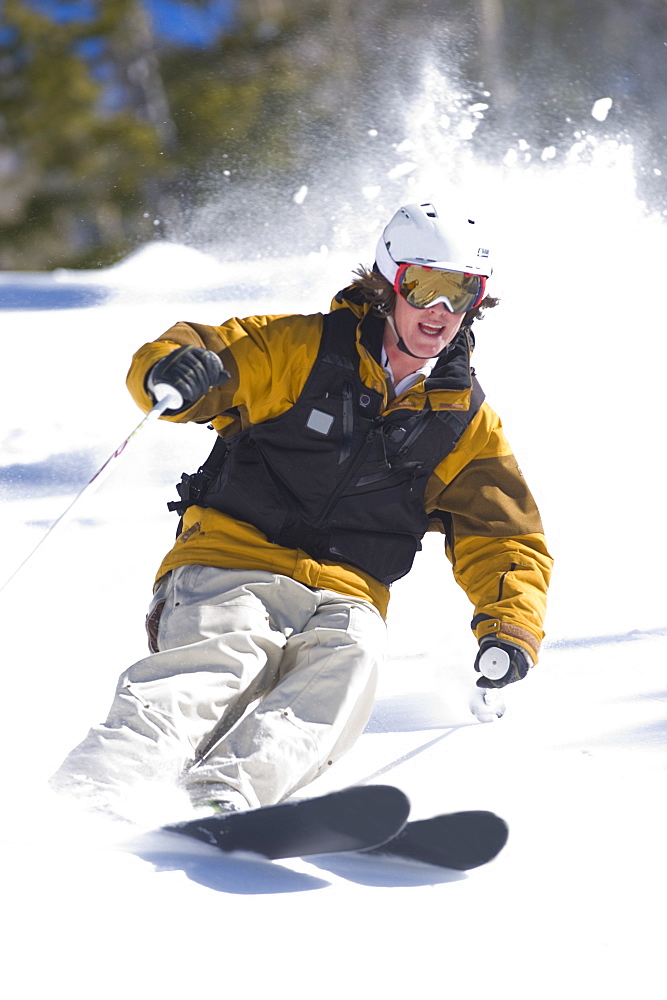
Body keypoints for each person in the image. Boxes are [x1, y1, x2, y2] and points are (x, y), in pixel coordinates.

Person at [51, 202, 553, 823]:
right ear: (388, 282)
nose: (440, 312)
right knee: (225, 660)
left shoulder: (462, 420)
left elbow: (505, 536)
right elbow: (208, 352)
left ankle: (222, 799)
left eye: (461, 293)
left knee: (350, 664)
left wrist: (511, 624)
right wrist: (172, 369)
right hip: (231, 561)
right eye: (425, 286)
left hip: (349, 593)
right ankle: (92, 796)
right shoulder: (304, 349)